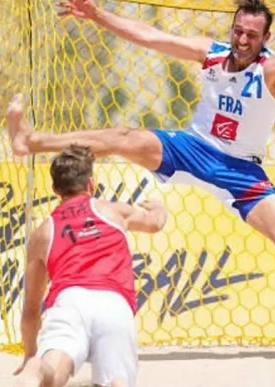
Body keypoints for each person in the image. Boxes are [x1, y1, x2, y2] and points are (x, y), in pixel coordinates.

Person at [6, 0, 275, 340]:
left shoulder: (272, 69)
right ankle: (30, 142)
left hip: (239, 169)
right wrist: (96, 14)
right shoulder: (212, 54)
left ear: (265, 38)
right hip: (193, 148)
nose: (243, 40)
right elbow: (149, 36)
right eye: (238, 31)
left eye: (252, 34)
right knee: (122, 138)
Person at [12, 143, 169, 387]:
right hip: (113, 303)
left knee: (53, 370)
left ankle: (38, 368)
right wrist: (160, 209)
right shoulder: (112, 211)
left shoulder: (42, 233)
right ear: (91, 184)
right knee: (117, 380)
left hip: (70, 302)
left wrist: (30, 353)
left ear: (55, 188)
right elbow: (154, 223)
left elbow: (31, 309)